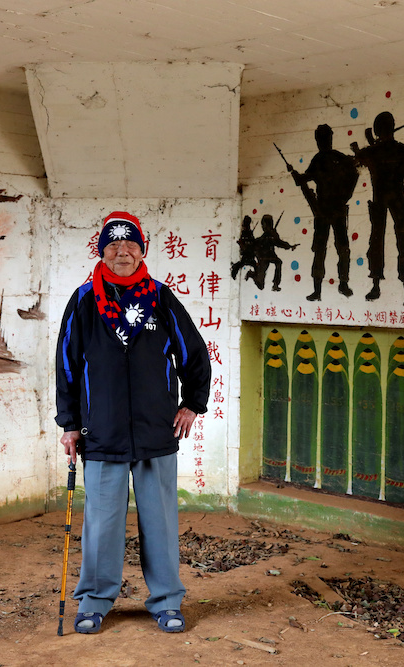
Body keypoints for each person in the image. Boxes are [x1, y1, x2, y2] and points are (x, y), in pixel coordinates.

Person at [55, 211, 211, 635]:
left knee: (159, 522)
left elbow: (194, 354)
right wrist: (69, 423)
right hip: (100, 432)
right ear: (101, 251)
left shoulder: (161, 298)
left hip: (155, 430)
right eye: (112, 246)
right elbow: (67, 366)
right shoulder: (85, 300)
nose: (121, 252)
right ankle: (94, 600)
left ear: (142, 250)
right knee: (102, 523)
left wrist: (192, 404)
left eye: (130, 245)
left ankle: (165, 601)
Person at [351, 111, 404, 307]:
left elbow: (359, 158)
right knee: (402, 245)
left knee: (377, 242)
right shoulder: (402, 149)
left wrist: (361, 145)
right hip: (399, 200)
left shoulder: (373, 150)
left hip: (381, 200)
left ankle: (376, 285)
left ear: (378, 130)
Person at [290, 124, 358, 301]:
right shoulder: (339, 158)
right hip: (335, 209)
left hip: (324, 210)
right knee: (340, 248)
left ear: (319, 139)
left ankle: (319, 289)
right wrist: (345, 195)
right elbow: (354, 173)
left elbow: (302, 180)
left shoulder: (319, 159)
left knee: (322, 249)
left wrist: (295, 175)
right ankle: (341, 285)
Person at [245, 213, 298, 291]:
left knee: (278, 262)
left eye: (265, 224)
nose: (263, 227)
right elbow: (277, 242)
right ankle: (252, 274)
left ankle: (275, 284)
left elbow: (279, 242)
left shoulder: (272, 234)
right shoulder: (267, 235)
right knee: (260, 285)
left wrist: (289, 246)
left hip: (269, 255)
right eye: (263, 224)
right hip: (262, 256)